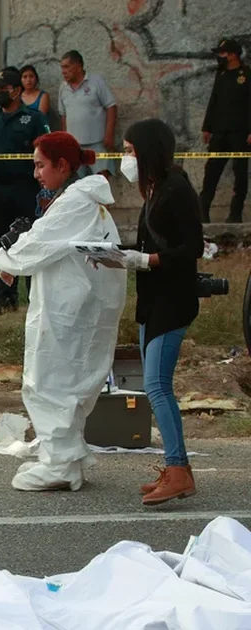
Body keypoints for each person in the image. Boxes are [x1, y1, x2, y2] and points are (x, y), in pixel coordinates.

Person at [0, 132, 126, 492]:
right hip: (75, 306)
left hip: (68, 309)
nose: (36, 173)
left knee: (49, 382)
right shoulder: (81, 200)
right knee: (68, 382)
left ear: (62, 165)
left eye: (40, 165)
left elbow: (34, 248)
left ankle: (60, 464)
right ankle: (68, 456)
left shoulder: (76, 202)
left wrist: (3, 255)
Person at [98, 119, 205, 504]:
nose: (126, 159)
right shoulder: (157, 189)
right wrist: (118, 256)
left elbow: (192, 247)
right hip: (153, 300)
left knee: (158, 386)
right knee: (155, 384)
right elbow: (150, 246)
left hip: (172, 301)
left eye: (130, 151)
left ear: (147, 151)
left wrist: (146, 260)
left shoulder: (176, 189)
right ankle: (178, 470)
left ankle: (178, 470)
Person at [0, 69, 52, 313]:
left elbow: (47, 149)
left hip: (26, 188)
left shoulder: (33, 118)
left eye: (3, 88)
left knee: (30, 240)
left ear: (16, 90)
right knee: (2, 242)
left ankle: (35, 297)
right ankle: (7, 299)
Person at [199, 38, 250, 223]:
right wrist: (207, 127)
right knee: (211, 171)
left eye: (223, 53)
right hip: (220, 132)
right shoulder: (221, 74)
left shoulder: (247, 74)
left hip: (240, 132)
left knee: (240, 173)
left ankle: (235, 214)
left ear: (233, 55)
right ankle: (203, 210)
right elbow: (214, 101)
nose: (220, 57)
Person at [58, 50, 118, 177]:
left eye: (67, 67)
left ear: (79, 66)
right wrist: (65, 140)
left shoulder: (96, 81)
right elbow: (63, 116)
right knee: (79, 182)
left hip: (97, 143)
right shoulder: (63, 88)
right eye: (62, 67)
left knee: (101, 179)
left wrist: (109, 134)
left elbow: (111, 106)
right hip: (74, 146)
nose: (63, 71)